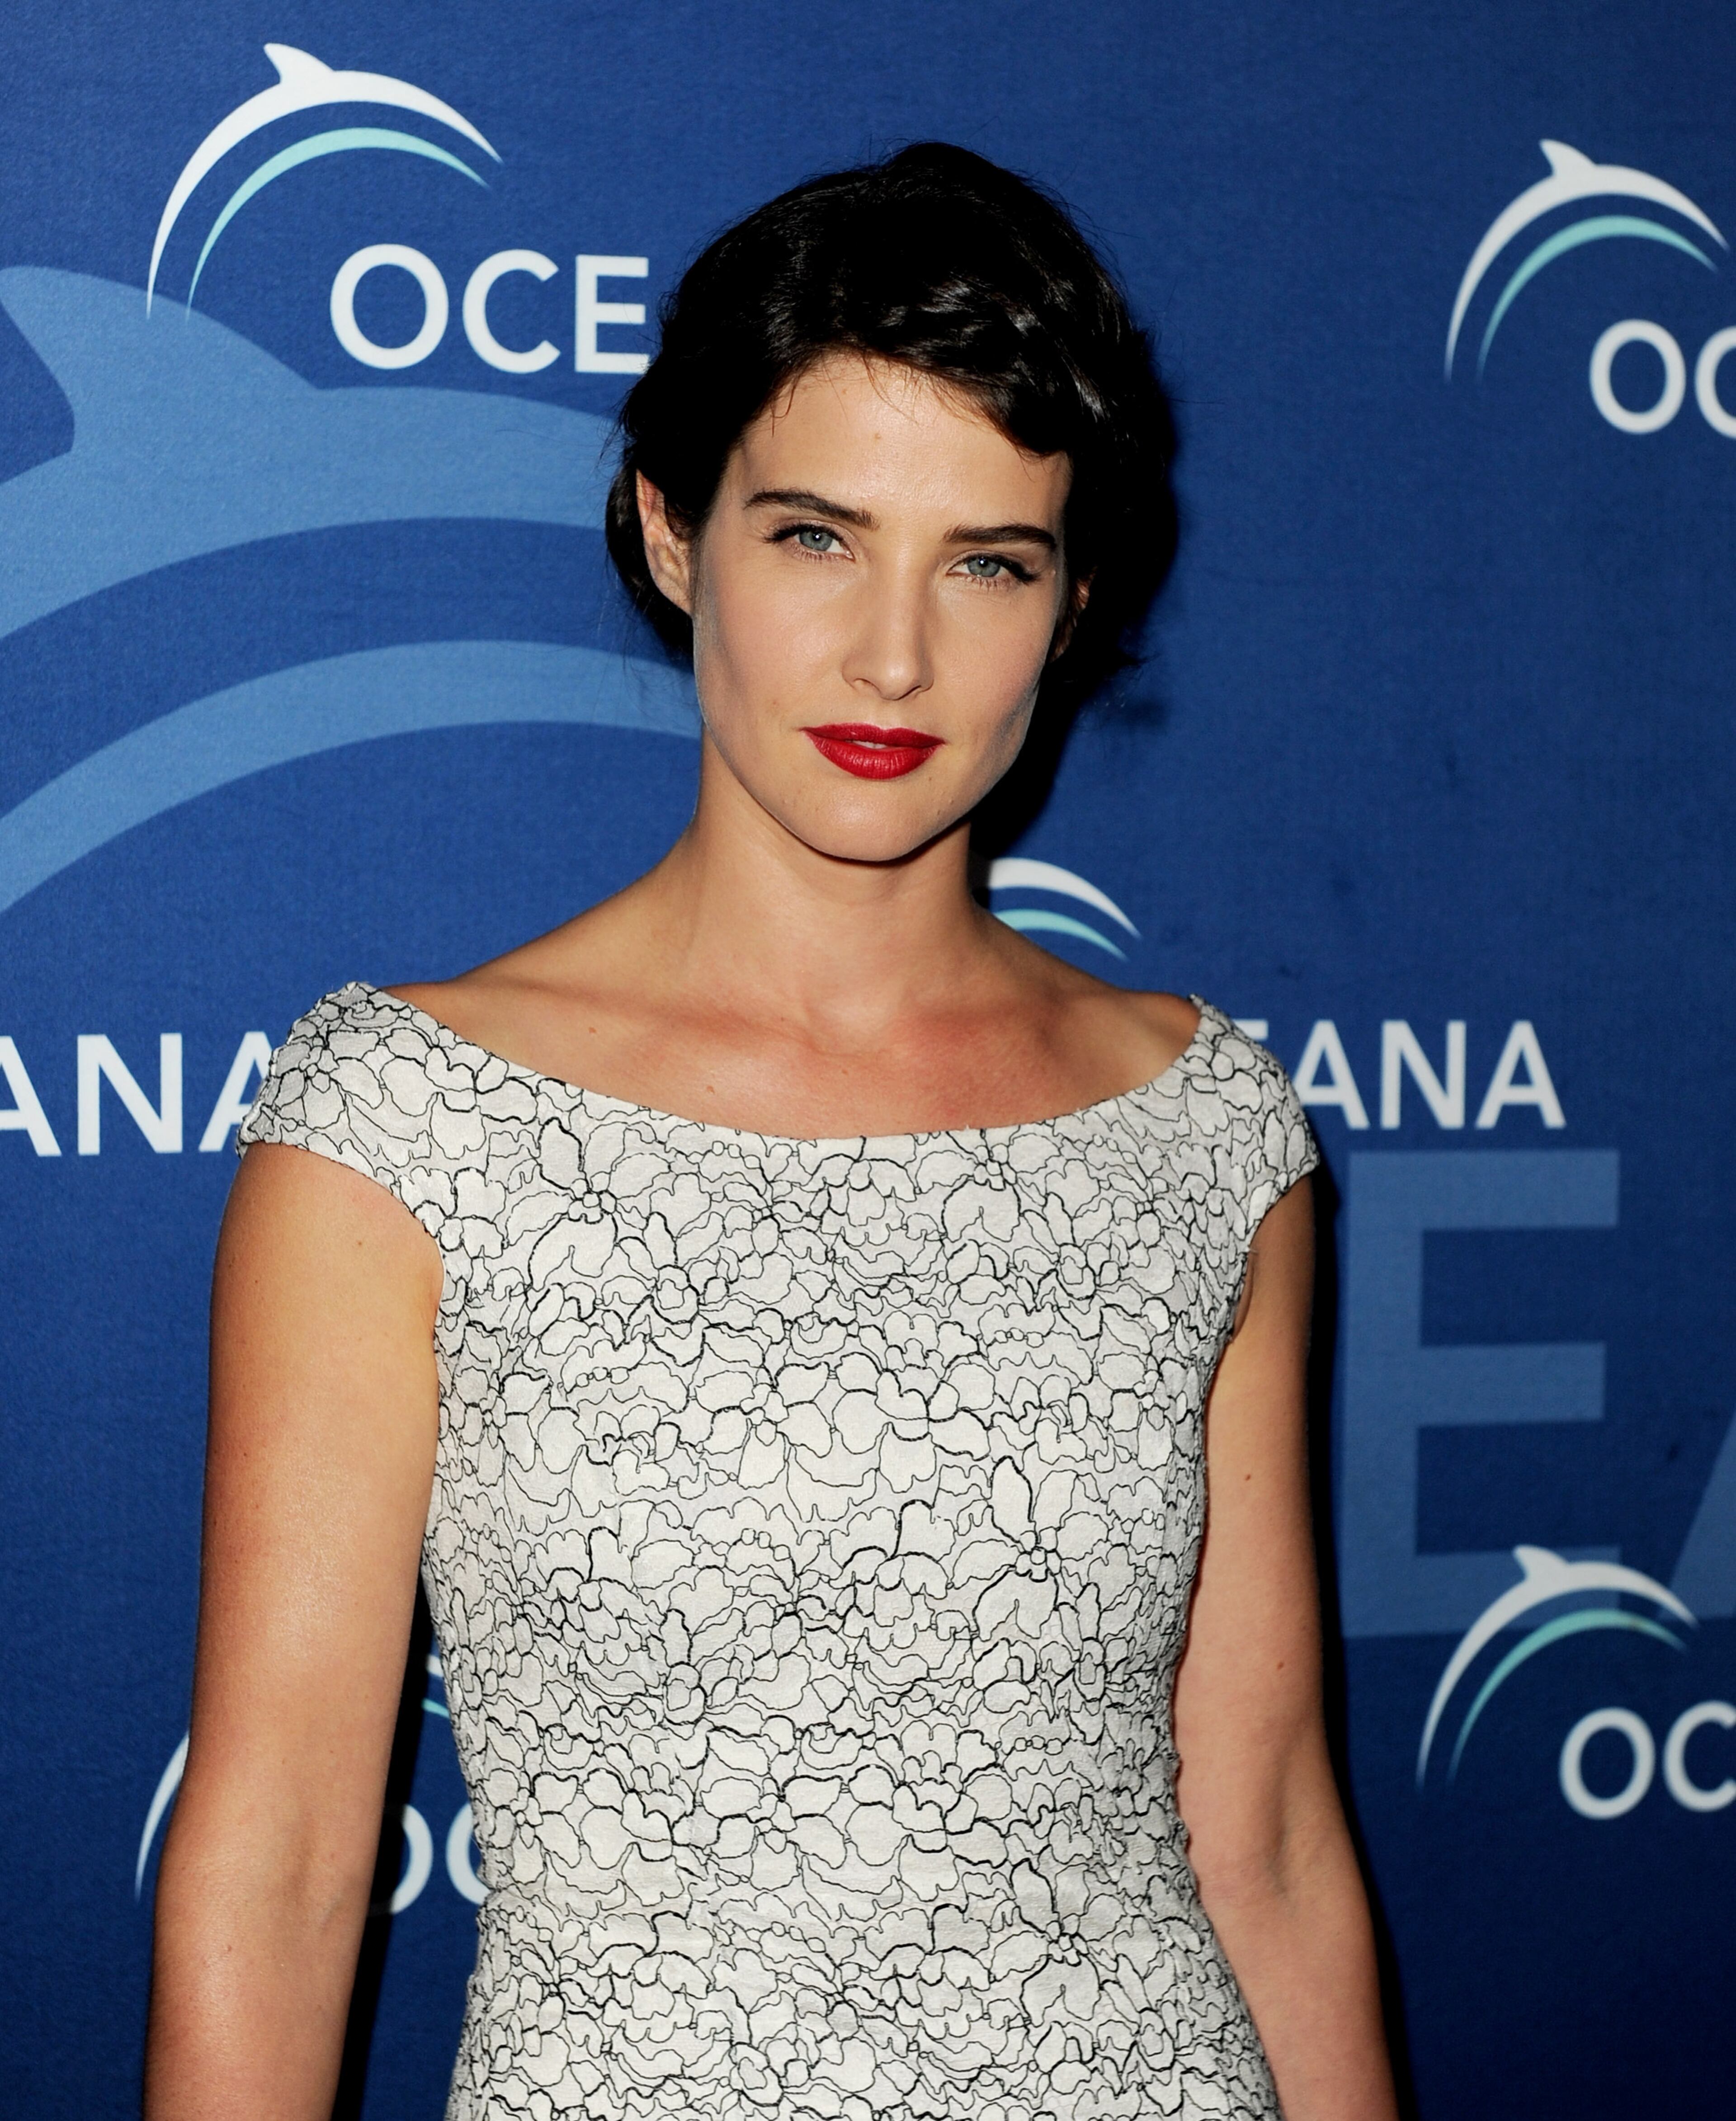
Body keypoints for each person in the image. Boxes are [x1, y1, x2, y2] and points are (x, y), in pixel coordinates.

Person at [145, 144, 1397, 2121]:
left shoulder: (1199, 1128)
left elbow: (1263, 1833)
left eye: (990, 560)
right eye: (818, 535)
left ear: (1071, 604)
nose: (896, 655)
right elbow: (284, 1858)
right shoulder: (401, 1127)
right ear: (670, 528)